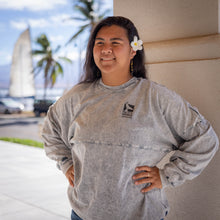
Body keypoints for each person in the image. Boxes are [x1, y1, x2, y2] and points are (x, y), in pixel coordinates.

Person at [42, 16, 219, 220]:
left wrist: (166, 175)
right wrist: (66, 163)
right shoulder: (76, 97)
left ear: (133, 50)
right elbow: (50, 130)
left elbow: (205, 139)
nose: (106, 49)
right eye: (99, 43)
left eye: (115, 43)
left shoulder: (156, 97)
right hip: (83, 214)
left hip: (141, 214)